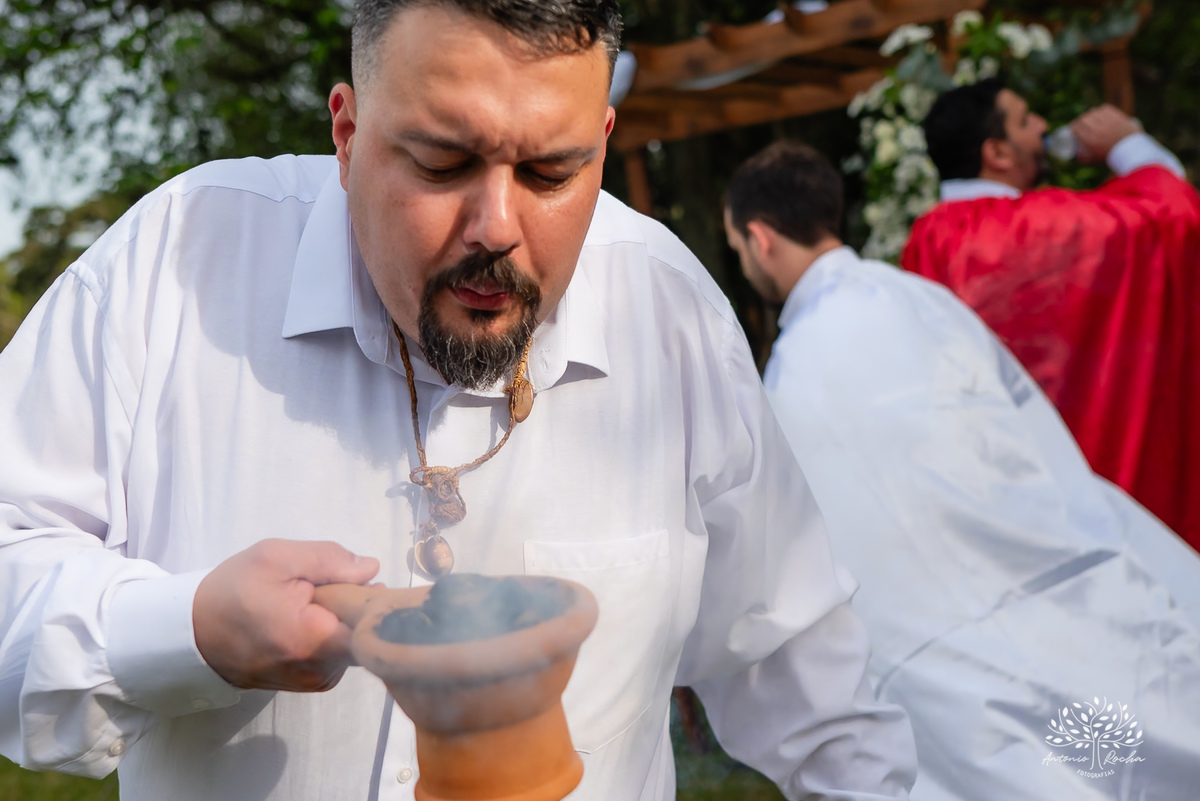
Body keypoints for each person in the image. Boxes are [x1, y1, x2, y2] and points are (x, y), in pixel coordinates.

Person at [0, 3, 919, 800]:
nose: (497, 229)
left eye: (552, 174)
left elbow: (808, 680)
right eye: (442, 162)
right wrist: (190, 630)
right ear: (346, 135)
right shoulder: (173, 268)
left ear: (603, 143)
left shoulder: (669, 316)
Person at [724, 140, 1200, 800]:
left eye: (739, 249)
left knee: (1040, 767)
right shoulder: (926, 300)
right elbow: (1028, 420)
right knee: (1113, 731)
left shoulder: (794, 371)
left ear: (760, 238)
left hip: (941, 642)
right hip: (1036, 569)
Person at [900, 78, 1200, 552]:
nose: (1042, 125)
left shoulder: (927, 238)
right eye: (1025, 120)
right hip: (1102, 499)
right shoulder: (1044, 227)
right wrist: (1126, 144)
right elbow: (1173, 215)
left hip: (996, 511)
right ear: (997, 153)